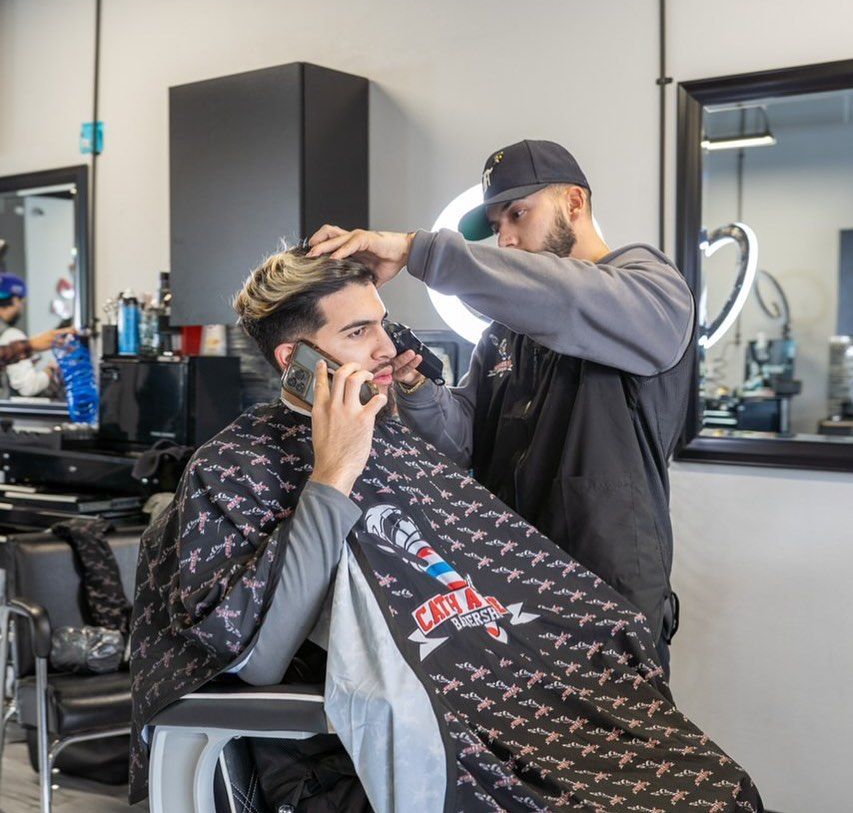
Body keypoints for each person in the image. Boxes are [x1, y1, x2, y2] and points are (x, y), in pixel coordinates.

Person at [129, 246, 762, 813]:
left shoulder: (396, 437)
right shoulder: (234, 465)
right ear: (295, 359)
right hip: (369, 743)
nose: (385, 348)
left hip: (500, 707)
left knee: (711, 787)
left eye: (382, 323)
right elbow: (258, 657)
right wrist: (332, 476)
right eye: (358, 331)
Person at [308, 139, 696, 674]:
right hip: (507, 590)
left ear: (574, 202)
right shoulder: (507, 332)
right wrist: (419, 392)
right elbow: (463, 438)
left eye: (518, 214)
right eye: (496, 226)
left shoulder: (651, 291)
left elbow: (569, 298)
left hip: (608, 594)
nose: (506, 239)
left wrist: (419, 250)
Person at [0, 273, 61, 395]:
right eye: (22, 301)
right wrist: (50, 369)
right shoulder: (11, 335)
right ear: (15, 300)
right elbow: (29, 387)